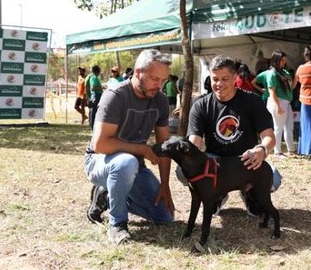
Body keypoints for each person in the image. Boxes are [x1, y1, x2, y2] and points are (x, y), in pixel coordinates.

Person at [83, 49, 175, 244]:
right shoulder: (116, 96)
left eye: (163, 80)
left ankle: (107, 197)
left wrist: (165, 185)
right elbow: (100, 144)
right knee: (126, 162)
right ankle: (117, 225)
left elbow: (164, 146)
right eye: (155, 79)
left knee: (165, 216)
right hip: (100, 161)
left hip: (133, 167)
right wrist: (142, 149)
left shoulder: (160, 100)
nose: (159, 86)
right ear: (138, 72)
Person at [185, 55, 280, 216]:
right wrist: (188, 157)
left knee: (274, 179)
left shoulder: (252, 101)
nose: (219, 84)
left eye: (225, 79)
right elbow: (194, 142)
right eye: (215, 79)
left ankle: (250, 192)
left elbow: (269, 136)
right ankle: (216, 194)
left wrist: (262, 150)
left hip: (246, 162)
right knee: (184, 170)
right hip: (216, 164)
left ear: (235, 77)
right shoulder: (201, 105)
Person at [264, 51, 295, 156]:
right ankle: (277, 151)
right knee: (278, 128)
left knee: (289, 127)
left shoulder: (285, 72)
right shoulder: (272, 73)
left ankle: (291, 150)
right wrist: (277, 106)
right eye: (282, 60)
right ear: (276, 60)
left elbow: (292, 87)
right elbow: (272, 91)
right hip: (278, 102)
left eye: (285, 60)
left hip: (286, 102)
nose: (284, 62)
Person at [86, 65, 103, 130]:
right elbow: (93, 87)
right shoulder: (94, 78)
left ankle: (92, 124)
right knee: (94, 111)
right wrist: (102, 87)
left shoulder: (93, 77)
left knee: (94, 110)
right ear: (97, 71)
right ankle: (93, 125)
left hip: (96, 95)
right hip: (96, 95)